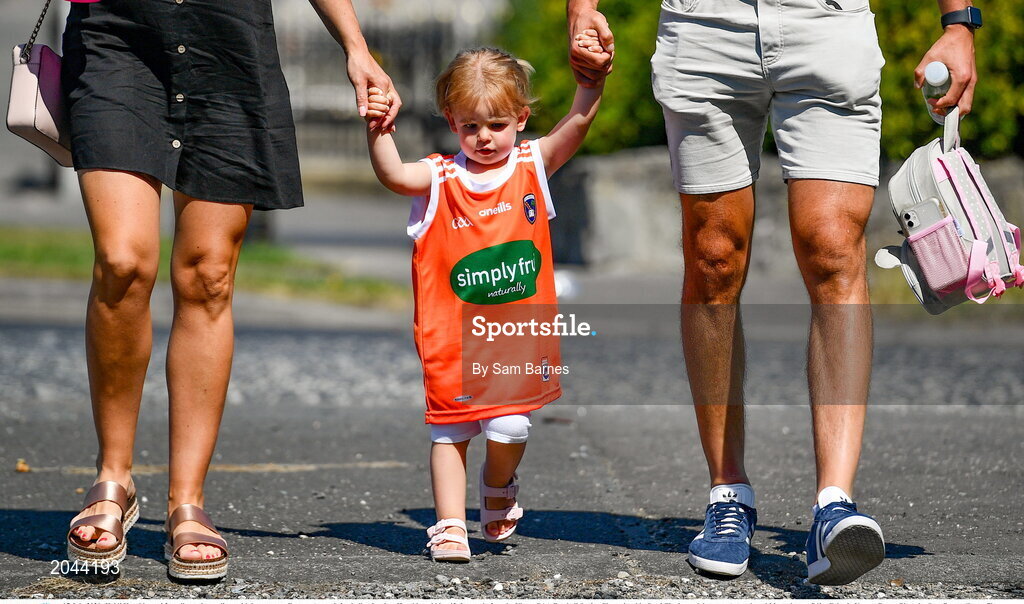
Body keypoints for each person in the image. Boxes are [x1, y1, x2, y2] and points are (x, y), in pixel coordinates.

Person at [567, 0, 978, 585]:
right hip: (705, 24)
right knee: (713, 256)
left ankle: (833, 505)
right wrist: (582, 9)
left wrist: (960, 23)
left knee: (834, 248)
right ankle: (727, 494)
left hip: (825, 22)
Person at [60, 0, 400, 581]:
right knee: (122, 261)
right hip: (118, 38)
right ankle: (112, 477)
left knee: (208, 275)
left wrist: (355, 46)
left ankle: (185, 501)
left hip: (231, 43)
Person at [362, 45, 608, 562]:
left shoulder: (532, 166)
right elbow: (393, 175)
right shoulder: (439, 178)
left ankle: (498, 486)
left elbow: (575, 127)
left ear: (521, 118)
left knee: (510, 426)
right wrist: (379, 129)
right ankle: (450, 525)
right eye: (470, 126)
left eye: (497, 124)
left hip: (517, 339)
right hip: (451, 340)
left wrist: (592, 83)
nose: (484, 138)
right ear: (452, 122)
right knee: (449, 433)